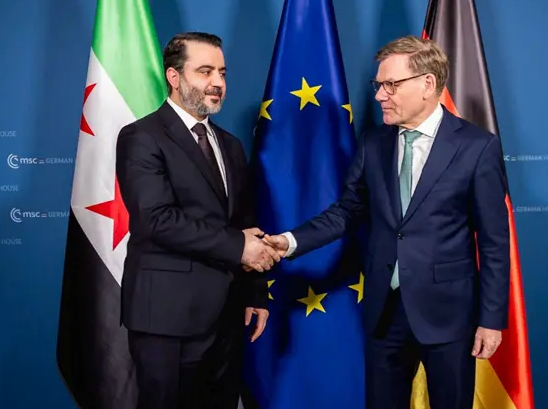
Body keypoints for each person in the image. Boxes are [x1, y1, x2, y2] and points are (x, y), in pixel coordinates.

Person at [265, 35, 511, 409]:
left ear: (427, 84)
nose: (380, 95)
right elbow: (347, 211)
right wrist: (289, 241)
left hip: (448, 315)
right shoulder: (373, 143)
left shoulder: (477, 147)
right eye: (378, 85)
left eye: (391, 85)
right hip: (384, 312)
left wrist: (491, 320)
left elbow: (494, 241)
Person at [115, 32, 280, 409]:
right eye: (205, 71)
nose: (217, 82)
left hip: (227, 316)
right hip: (167, 318)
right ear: (174, 77)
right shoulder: (141, 137)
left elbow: (244, 222)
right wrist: (239, 247)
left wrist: (255, 292)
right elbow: (156, 220)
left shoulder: (230, 145)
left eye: (222, 72)